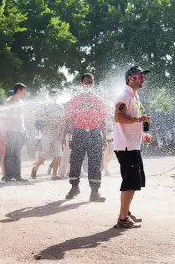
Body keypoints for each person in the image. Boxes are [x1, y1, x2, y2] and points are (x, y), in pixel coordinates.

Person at [113, 65, 152, 228]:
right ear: (131, 78)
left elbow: (129, 119)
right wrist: (139, 120)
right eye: (140, 76)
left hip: (132, 145)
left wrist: (142, 135)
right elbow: (118, 117)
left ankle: (126, 213)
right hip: (126, 147)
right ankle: (122, 219)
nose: (143, 78)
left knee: (134, 181)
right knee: (130, 181)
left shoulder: (133, 96)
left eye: (144, 76)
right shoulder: (124, 95)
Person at [65, 73, 108, 202]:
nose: (88, 85)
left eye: (91, 83)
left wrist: (104, 138)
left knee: (95, 163)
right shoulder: (75, 99)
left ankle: (95, 192)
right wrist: (68, 136)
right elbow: (70, 120)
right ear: (81, 84)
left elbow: (103, 120)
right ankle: (74, 187)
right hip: (79, 133)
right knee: (75, 161)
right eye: (86, 83)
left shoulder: (98, 100)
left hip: (95, 133)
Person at [31, 90, 65, 180]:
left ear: (57, 96)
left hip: (57, 134)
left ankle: (54, 175)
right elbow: (36, 116)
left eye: (54, 95)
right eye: (51, 95)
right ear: (48, 96)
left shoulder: (60, 107)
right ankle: (35, 168)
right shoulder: (44, 106)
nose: (53, 97)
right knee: (45, 155)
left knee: (57, 155)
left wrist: (61, 134)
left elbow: (63, 121)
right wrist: (43, 116)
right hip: (46, 133)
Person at [3, 83, 27, 182]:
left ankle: (18, 175)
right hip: (11, 131)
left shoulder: (21, 102)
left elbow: (22, 118)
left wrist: (25, 130)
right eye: (24, 90)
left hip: (20, 131)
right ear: (18, 90)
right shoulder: (9, 101)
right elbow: (4, 117)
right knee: (9, 154)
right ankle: (8, 176)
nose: (25, 92)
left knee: (17, 154)